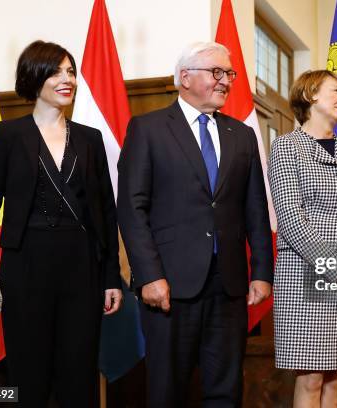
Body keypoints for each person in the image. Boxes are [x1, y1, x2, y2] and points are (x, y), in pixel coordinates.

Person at [117, 41, 273, 407]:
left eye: (229, 74)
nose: (226, 82)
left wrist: (262, 271)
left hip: (229, 286)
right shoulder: (148, 129)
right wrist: (150, 275)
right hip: (169, 284)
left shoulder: (242, 135)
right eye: (216, 73)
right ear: (184, 78)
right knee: (168, 390)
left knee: (226, 390)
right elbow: (131, 208)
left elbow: (255, 210)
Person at [0, 40, 123, 407]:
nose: (67, 79)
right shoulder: (6, 136)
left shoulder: (91, 138)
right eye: (57, 71)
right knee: (28, 374)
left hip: (82, 267)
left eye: (71, 72)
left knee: (79, 374)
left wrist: (111, 278)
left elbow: (106, 213)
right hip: (25, 268)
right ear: (34, 76)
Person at [268, 70, 337, 408]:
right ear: (312, 94)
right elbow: (291, 221)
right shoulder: (285, 147)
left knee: (336, 377)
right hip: (304, 276)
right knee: (312, 377)